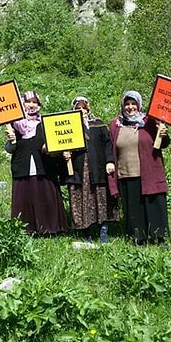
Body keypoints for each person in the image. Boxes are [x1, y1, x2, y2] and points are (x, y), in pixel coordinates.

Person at [107, 90, 170, 246]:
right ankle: (139, 239)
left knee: (154, 205)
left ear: (139, 105)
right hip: (126, 173)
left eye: (133, 104)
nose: (130, 107)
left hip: (149, 171)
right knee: (133, 208)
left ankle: (159, 238)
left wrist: (163, 133)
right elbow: (110, 146)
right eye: (127, 104)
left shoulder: (149, 122)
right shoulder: (115, 125)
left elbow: (163, 143)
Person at [5, 90, 68, 236]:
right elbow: (9, 149)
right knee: (25, 199)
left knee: (45, 196)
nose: (31, 105)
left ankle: (50, 228)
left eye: (35, 102)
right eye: (28, 102)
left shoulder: (46, 123)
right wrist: (11, 141)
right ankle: (26, 229)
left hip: (44, 167)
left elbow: (56, 145)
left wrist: (51, 149)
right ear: (22, 103)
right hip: (22, 167)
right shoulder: (14, 124)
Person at [62, 96, 119, 243]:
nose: (81, 110)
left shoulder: (98, 124)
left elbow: (107, 144)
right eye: (77, 108)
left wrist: (110, 161)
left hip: (98, 169)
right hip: (78, 171)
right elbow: (59, 144)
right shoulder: (67, 127)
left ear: (88, 108)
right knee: (81, 199)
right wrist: (64, 154)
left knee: (100, 198)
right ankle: (86, 232)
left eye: (83, 107)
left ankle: (103, 230)